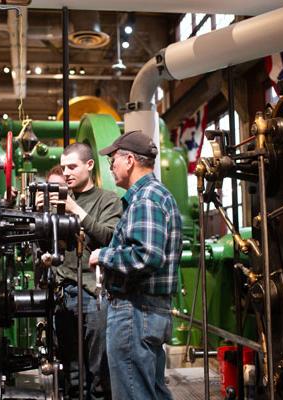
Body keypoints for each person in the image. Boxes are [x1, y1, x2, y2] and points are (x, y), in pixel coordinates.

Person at [89, 130, 182, 400]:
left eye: (113, 160)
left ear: (129, 160)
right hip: (147, 312)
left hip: (134, 311)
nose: (111, 167)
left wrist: (103, 256)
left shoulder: (145, 199)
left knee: (133, 394)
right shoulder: (157, 195)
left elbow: (145, 256)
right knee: (151, 391)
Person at [44, 144, 122, 400]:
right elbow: (48, 243)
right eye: (64, 167)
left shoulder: (107, 200)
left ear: (89, 165)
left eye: (72, 166)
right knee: (72, 372)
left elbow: (109, 237)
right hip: (62, 294)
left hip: (93, 294)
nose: (66, 172)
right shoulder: (58, 201)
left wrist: (75, 211)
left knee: (99, 372)